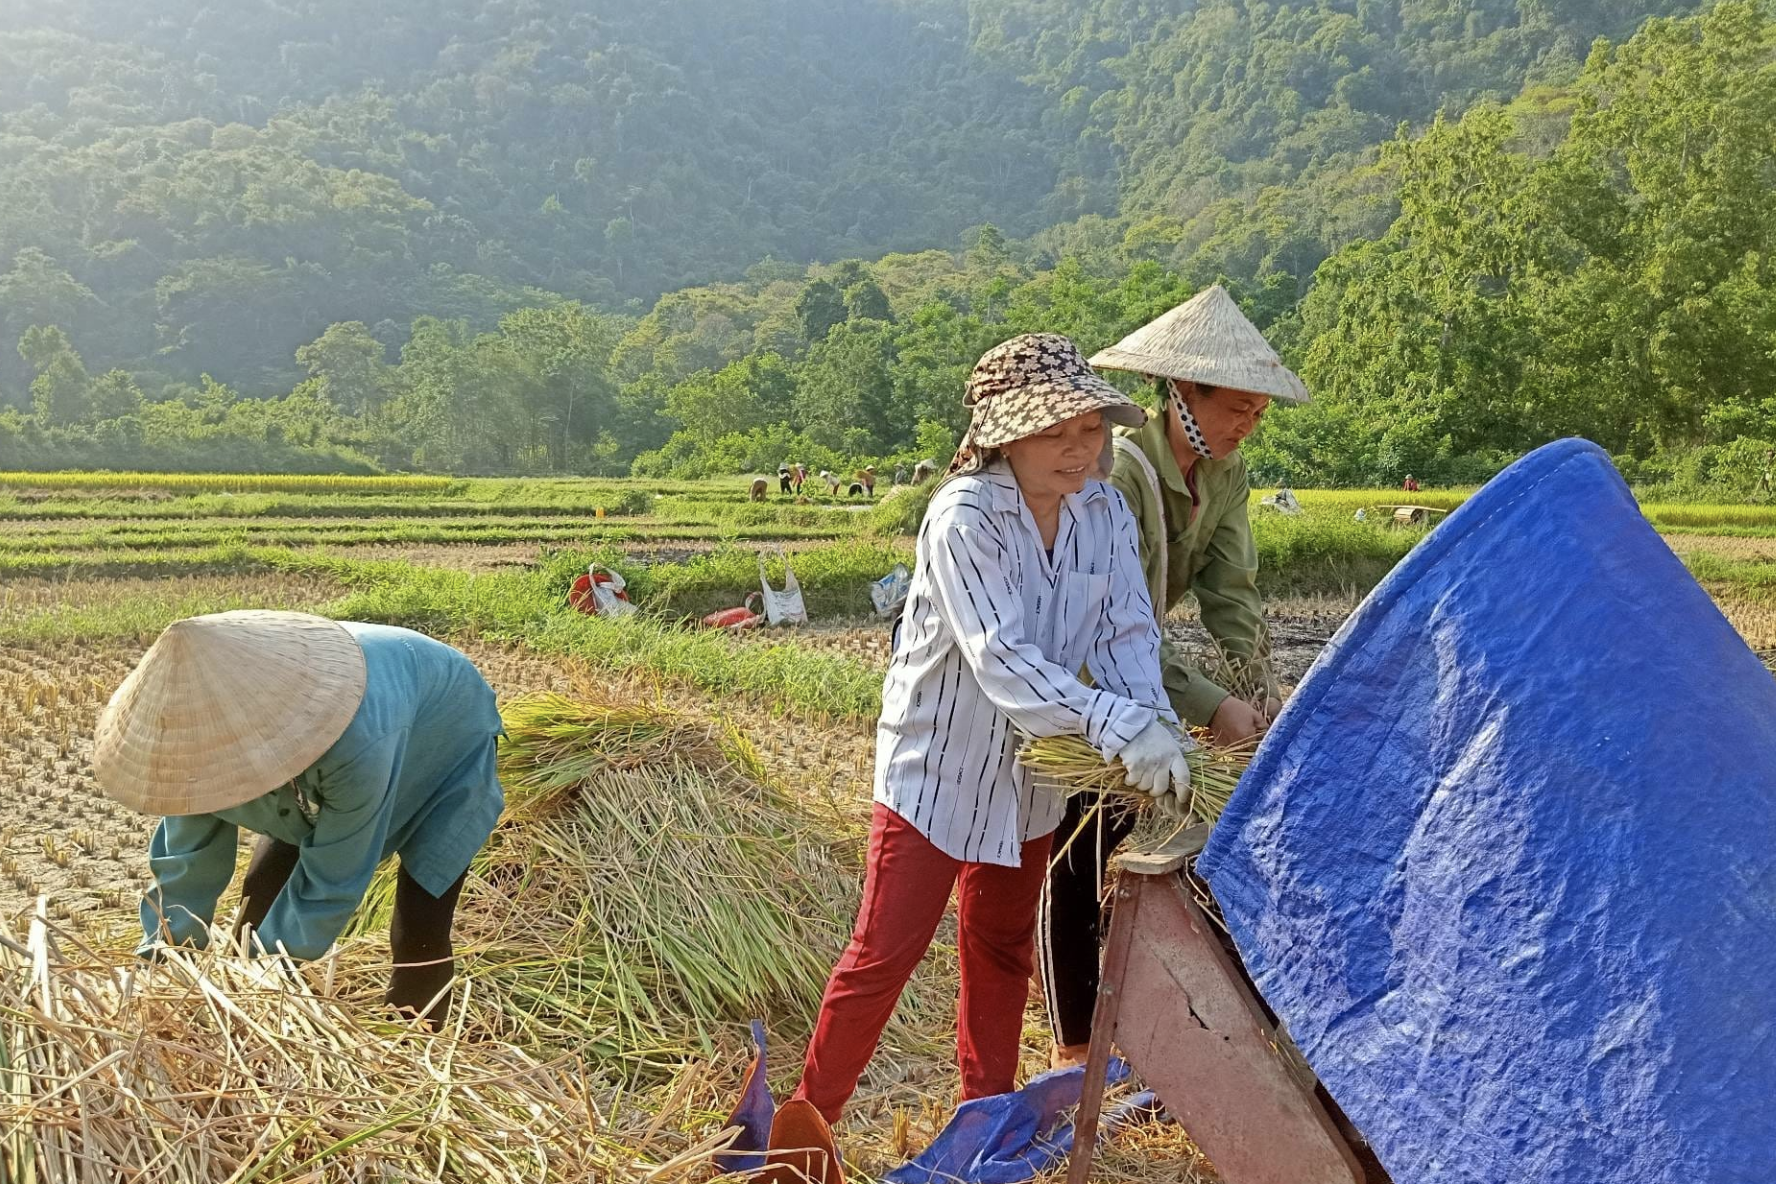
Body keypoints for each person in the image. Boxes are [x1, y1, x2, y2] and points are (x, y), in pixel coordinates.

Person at [785, 334, 1191, 1134]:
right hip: (937, 766)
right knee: (883, 954)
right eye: (1055, 432)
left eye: (1090, 428)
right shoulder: (964, 517)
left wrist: (1157, 724)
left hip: (1034, 770)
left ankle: (984, 1120)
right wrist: (1114, 722)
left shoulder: (1103, 510)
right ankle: (809, 1126)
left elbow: (1124, 633)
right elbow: (1001, 660)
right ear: (1004, 435)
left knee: (1002, 945)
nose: (1079, 450)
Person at [1039, 284, 1311, 1069]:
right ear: (1183, 393)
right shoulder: (1117, 474)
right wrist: (1209, 703)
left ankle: (1154, 1021)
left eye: (1259, 412)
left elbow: (1232, 593)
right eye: (1236, 407)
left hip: (1140, 667)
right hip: (1083, 677)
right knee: (1081, 844)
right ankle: (1074, 1045)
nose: (1247, 422)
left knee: (1140, 844)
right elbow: (1106, 621)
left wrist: (1259, 692)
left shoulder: (1225, 478)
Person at [94, 610, 504, 1029]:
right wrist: (165, 971)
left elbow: (333, 879)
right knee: (260, 893)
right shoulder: (194, 742)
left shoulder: (356, 745)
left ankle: (414, 1055)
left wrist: (265, 987)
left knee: (419, 925)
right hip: (333, 753)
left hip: (445, 735)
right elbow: (185, 865)